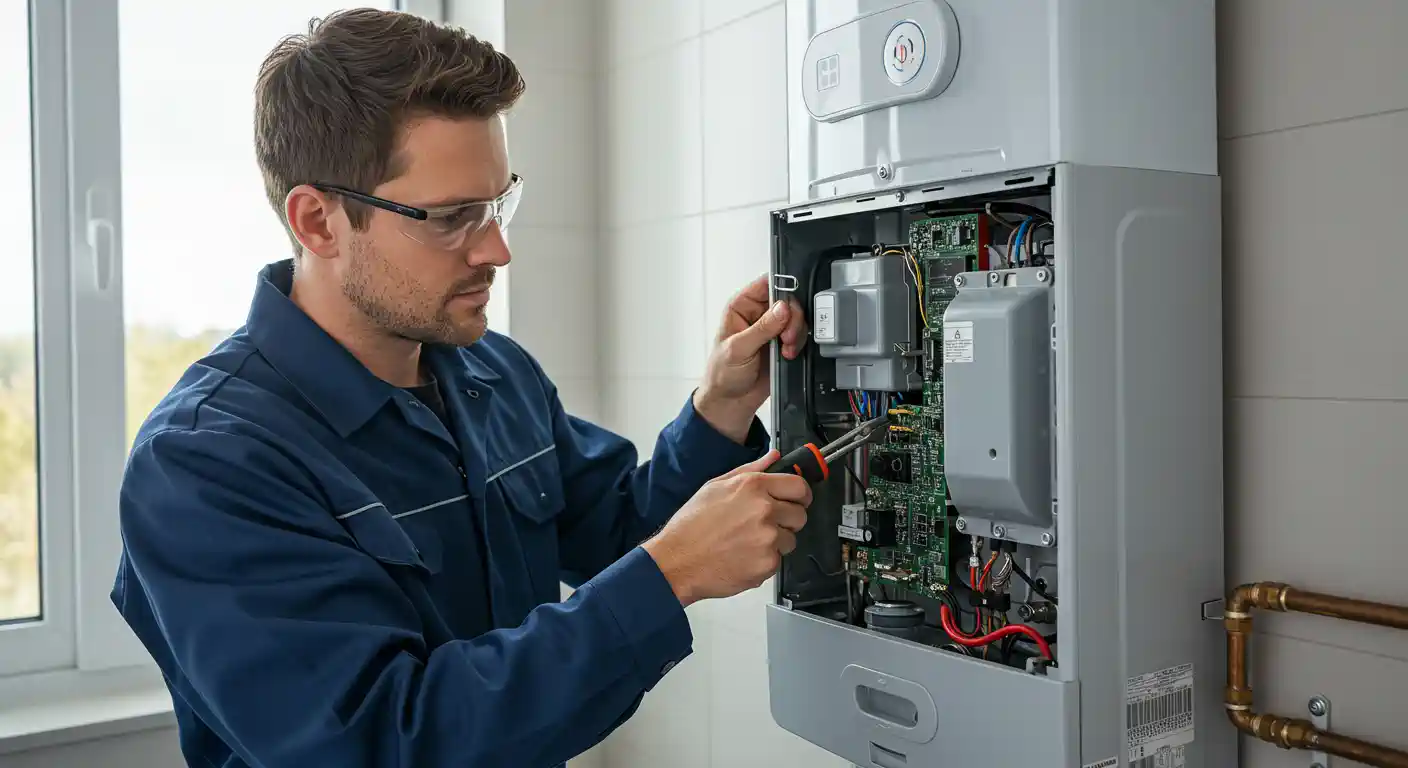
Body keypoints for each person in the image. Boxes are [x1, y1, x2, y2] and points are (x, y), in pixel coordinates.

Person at [111, 8, 811, 768]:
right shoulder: (205, 464)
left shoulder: (494, 374)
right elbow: (383, 742)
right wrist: (669, 575)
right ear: (318, 221)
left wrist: (722, 407)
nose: (497, 248)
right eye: (451, 218)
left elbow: (622, 533)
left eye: (498, 202)